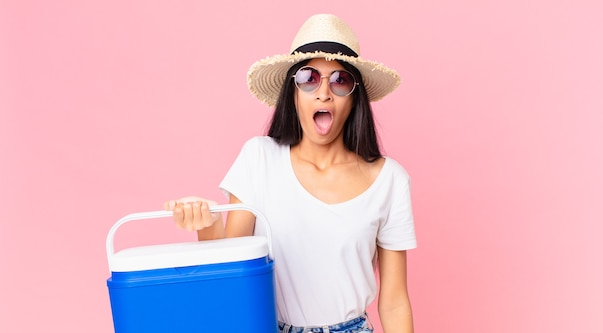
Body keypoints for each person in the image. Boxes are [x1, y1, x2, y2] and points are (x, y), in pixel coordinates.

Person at [164, 13, 417, 333]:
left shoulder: (390, 180)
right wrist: (208, 223)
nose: (323, 92)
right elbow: (230, 273)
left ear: (355, 99)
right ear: (293, 92)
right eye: (309, 77)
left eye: (340, 80)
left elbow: (394, 301)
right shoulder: (259, 158)